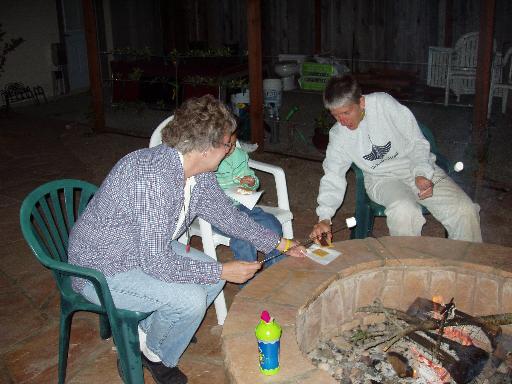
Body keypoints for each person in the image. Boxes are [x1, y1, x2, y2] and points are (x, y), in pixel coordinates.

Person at [68, 95, 306, 384]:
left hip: (145, 248)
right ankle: (153, 353)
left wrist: (280, 244)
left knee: (210, 281)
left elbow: (228, 217)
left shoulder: (197, 173)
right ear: (207, 149)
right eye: (229, 144)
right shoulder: (153, 178)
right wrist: (222, 269)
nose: (232, 150)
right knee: (192, 299)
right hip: (103, 267)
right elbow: (156, 262)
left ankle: (148, 337)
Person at [309, 75, 482, 245]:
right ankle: (407, 270)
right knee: (404, 211)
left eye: (346, 112)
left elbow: (417, 141)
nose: (342, 121)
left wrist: (421, 173)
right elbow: (333, 176)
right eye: (336, 115)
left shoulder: (383, 104)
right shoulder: (338, 135)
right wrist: (324, 217)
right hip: (381, 179)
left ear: (361, 102)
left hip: (417, 166)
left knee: (465, 211)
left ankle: (469, 266)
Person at [214, 131, 285, 276]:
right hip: (218, 213)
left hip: (242, 204)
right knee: (243, 240)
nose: (230, 150)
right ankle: (248, 284)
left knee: (272, 223)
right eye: (226, 145)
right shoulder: (206, 160)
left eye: (233, 145)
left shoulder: (238, 155)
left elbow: (249, 176)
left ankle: (277, 271)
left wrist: (251, 182)